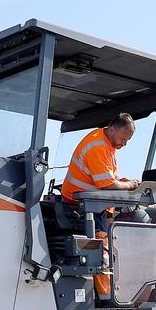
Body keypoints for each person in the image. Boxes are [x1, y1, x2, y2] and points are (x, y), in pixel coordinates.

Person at [60, 113, 144, 298]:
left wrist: (125, 181)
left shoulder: (107, 145)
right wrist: (128, 186)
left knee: (106, 248)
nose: (124, 144)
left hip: (93, 205)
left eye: (128, 140)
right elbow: (106, 184)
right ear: (112, 129)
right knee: (102, 255)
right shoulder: (98, 146)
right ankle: (106, 297)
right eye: (123, 138)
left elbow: (109, 179)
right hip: (82, 207)